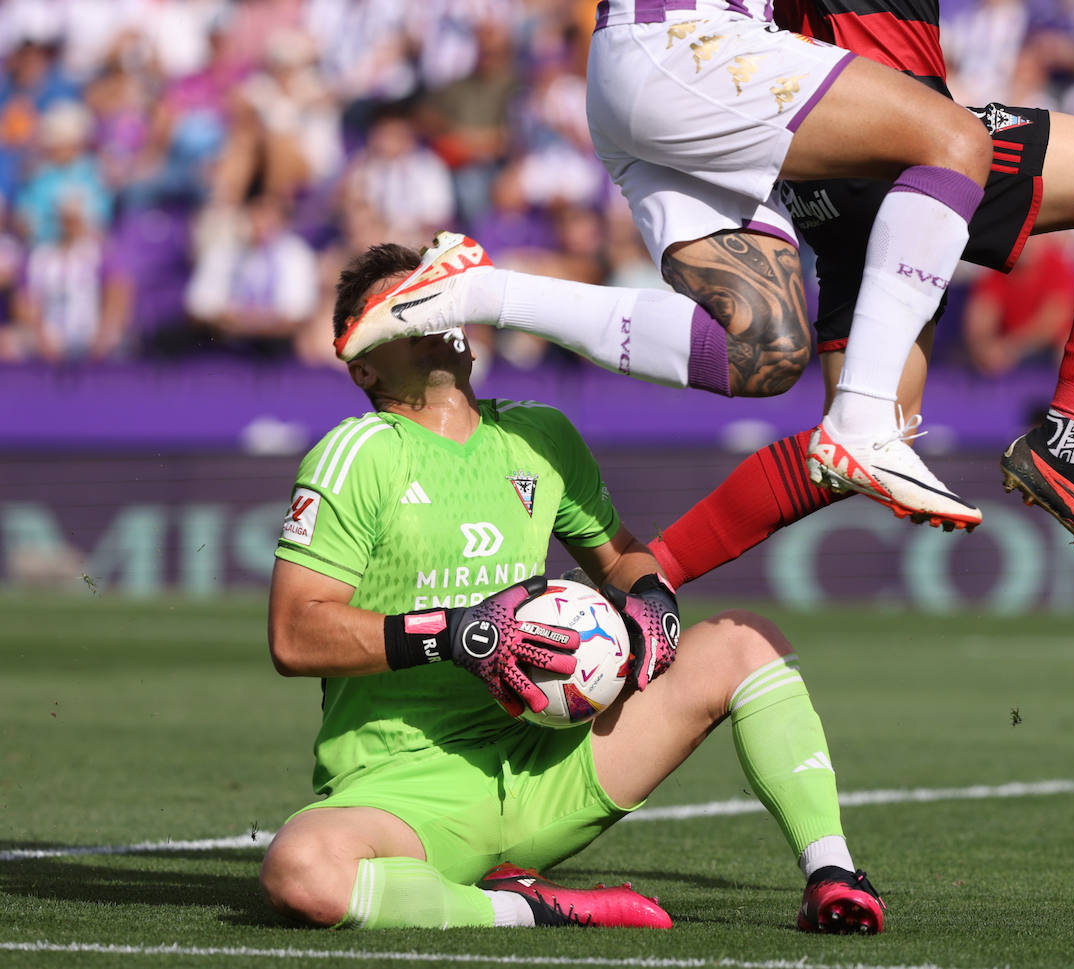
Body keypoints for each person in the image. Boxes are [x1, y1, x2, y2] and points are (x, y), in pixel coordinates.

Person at [259, 243, 886, 935]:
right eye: (409, 304)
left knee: (745, 641)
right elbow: (294, 633)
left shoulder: (540, 434)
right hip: (407, 794)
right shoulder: (356, 453)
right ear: (364, 362)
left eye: (442, 293)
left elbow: (624, 561)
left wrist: (654, 605)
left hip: (548, 767)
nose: (437, 308)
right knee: (302, 870)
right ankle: (529, 907)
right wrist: (460, 631)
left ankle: (832, 874)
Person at [333, 0, 997, 533]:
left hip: (652, 70)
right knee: (954, 140)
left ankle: (477, 291)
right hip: (688, 42)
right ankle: (863, 422)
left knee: (765, 350)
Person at [644, 0, 1074, 585]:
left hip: (816, 178)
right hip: (906, 137)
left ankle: (649, 576)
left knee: (862, 437)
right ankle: (1071, 444)